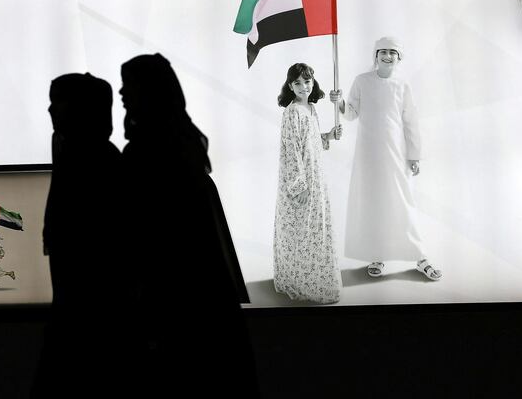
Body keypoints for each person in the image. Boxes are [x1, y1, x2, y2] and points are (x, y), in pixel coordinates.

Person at [120, 53, 260, 398]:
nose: (123, 95)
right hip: (200, 305)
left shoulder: (148, 155)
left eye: (130, 87)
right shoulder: (183, 149)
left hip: (171, 304)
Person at [32, 72, 125, 397]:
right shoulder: (78, 154)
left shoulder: (94, 163)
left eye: (58, 103)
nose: (50, 111)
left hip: (90, 322)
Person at [330, 36, 442, 281]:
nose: (388, 56)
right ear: (375, 54)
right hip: (368, 155)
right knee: (373, 203)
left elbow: (411, 122)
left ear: (399, 57)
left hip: (396, 154)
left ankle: (420, 257)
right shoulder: (362, 81)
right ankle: (376, 255)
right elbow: (350, 114)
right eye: (383, 51)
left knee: (403, 202)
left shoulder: (402, 86)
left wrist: (414, 156)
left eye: (393, 52)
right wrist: (338, 104)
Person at [273, 63, 343, 304]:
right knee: (300, 230)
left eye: (307, 81)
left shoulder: (311, 109)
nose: (304, 87)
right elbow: (291, 149)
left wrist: (328, 136)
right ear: (290, 86)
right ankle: (299, 279)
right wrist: (298, 185)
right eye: (298, 83)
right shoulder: (292, 112)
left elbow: (310, 142)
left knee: (315, 228)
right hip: (301, 181)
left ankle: (316, 277)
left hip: (316, 176)